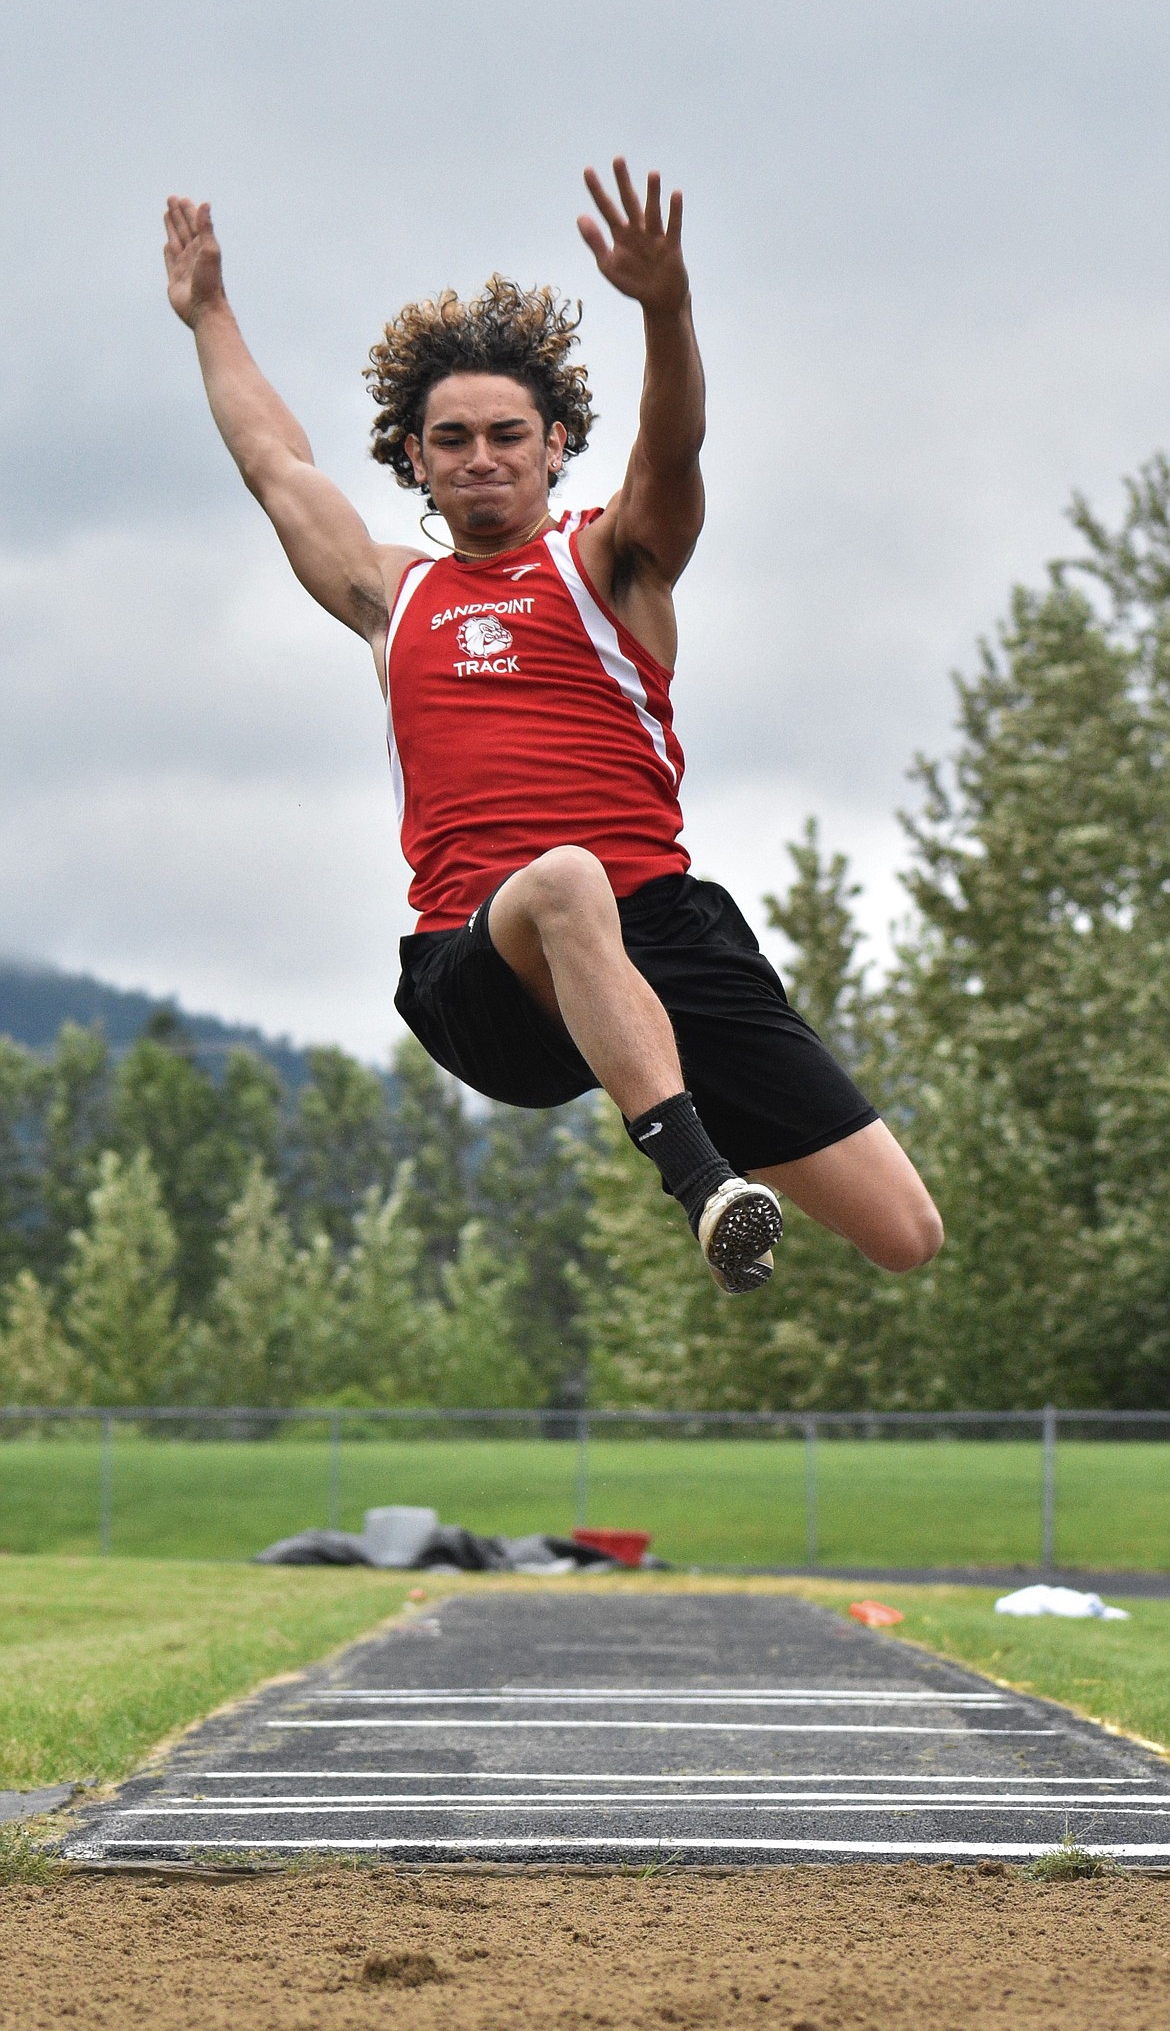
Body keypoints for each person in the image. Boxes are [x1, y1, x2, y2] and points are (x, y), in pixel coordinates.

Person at [163, 160, 943, 1295]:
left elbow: (671, 456)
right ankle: (706, 1188)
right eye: (453, 438)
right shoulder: (396, 595)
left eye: (506, 435)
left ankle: (677, 1099)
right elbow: (273, 462)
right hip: (485, 967)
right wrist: (211, 313)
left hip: (663, 940)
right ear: (416, 461)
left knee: (904, 1231)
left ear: (554, 444)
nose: (481, 455)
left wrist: (665, 307)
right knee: (565, 878)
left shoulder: (610, 563)